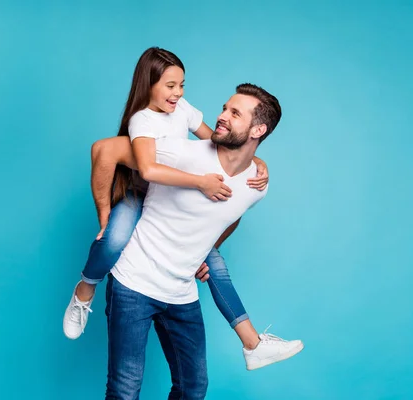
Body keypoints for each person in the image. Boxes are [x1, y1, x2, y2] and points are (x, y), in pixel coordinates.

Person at [62, 47, 301, 371]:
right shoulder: (152, 128)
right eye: (169, 85)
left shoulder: (190, 117)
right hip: (141, 194)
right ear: (148, 86)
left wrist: (252, 159)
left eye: (181, 85)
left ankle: (253, 344)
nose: (177, 93)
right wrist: (104, 214)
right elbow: (126, 160)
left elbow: (219, 152)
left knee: (216, 267)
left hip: (174, 211)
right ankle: (85, 288)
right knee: (114, 239)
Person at [99, 83, 303, 398]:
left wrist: (206, 251)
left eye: (235, 113)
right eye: (225, 108)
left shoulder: (256, 185)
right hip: (133, 285)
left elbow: (231, 215)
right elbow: (105, 151)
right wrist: (103, 214)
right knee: (125, 390)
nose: (221, 116)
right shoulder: (180, 152)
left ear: (257, 129)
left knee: (193, 388)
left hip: (181, 295)